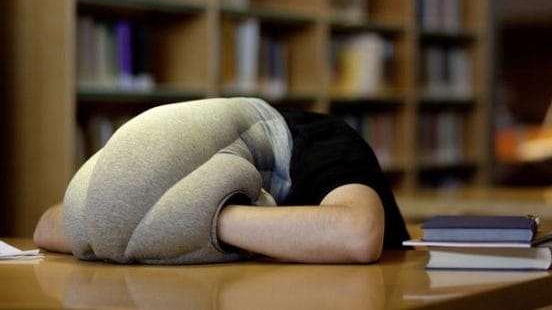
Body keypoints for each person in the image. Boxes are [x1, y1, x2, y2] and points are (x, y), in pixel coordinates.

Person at [33, 97, 409, 264]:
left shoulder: (325, 141)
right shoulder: (183, 158)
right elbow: (47, 225)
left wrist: (206, 217)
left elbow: (359, 235)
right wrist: (144, 220)